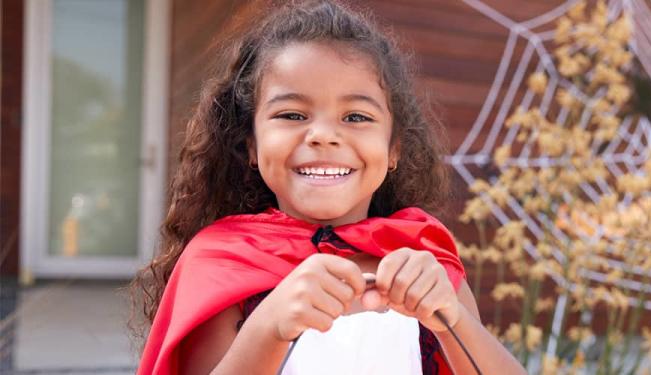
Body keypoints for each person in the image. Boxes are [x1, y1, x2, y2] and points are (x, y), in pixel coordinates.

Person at [129, 1, 526, 374]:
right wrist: (268, 327)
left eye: (355, 116)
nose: (322, 135)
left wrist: (451, 320)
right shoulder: (221, 265)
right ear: (251, 144)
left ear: (393, 149)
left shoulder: (423, 257)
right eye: (291, 114)